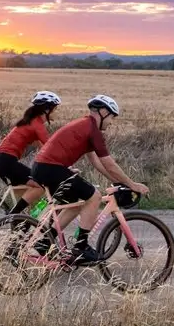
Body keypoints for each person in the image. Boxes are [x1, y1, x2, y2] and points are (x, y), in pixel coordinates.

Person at [30, 93, 149, 266]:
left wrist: (119, 182)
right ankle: (81, 247)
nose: (111, 122)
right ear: (102, 112)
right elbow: (109, 163)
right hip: (51, 168)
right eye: (111, 117)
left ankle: (43, 243)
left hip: (44, 168)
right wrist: (132, 185)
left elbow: (97, 163)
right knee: (94, 196)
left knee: (76, 203)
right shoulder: (92, 129)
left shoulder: (85, 126)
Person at [0, 91, 61, 215]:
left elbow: (43, 149)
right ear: (47, 110)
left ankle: (21, 223)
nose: (56, 112)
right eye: (55, 109)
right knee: (40, 185)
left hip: (0, 160)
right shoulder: (37, 124)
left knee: (27, 196)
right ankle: (13, 215)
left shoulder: (30, 121)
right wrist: (64, 165)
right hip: (7, 161)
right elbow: (50, 146)